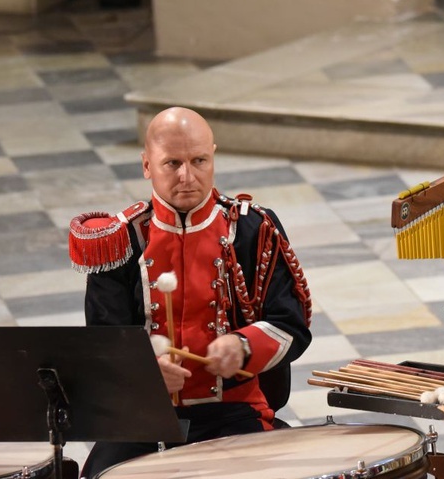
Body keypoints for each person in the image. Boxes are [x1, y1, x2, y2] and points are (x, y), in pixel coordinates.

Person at [68, 107, 312, 479]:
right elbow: (102, 344)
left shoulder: (253, 229)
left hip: (234, 412)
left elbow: (291, 325)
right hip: (143, 415)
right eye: (172, 164)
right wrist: (144, 373)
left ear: (213, 154)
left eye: (199, 160)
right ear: (146, 165)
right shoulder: (119, 241)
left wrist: (244, 345)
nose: (188, 176)